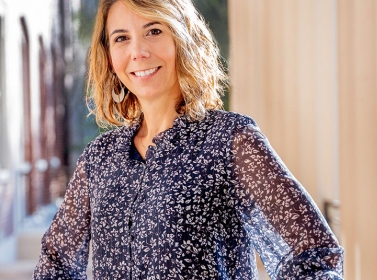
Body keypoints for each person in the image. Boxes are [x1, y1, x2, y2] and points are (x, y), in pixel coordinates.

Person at [33, 0, 344, 279]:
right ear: (110, 57)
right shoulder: (99, 158)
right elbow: (56, 260)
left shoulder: (230, 140)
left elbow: (314, 254)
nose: (138, 51)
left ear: (183, 39)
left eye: (153, 31)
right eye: (121, 38)